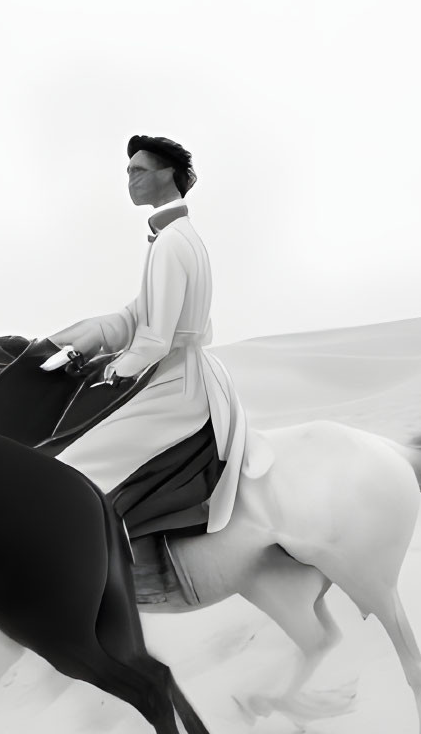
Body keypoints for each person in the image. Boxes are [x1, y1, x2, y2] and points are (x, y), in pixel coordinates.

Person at [42, 135, 259, 534]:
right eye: (127, 172)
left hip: (179, 382)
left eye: (139, 171)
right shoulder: (174, 236)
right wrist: (91, 336)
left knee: (76, 467)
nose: (130, 179)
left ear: (168, 175)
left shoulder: (173, 242)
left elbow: (156, 337)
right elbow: (138, 313)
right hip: (183, 370)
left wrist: (113, 371)